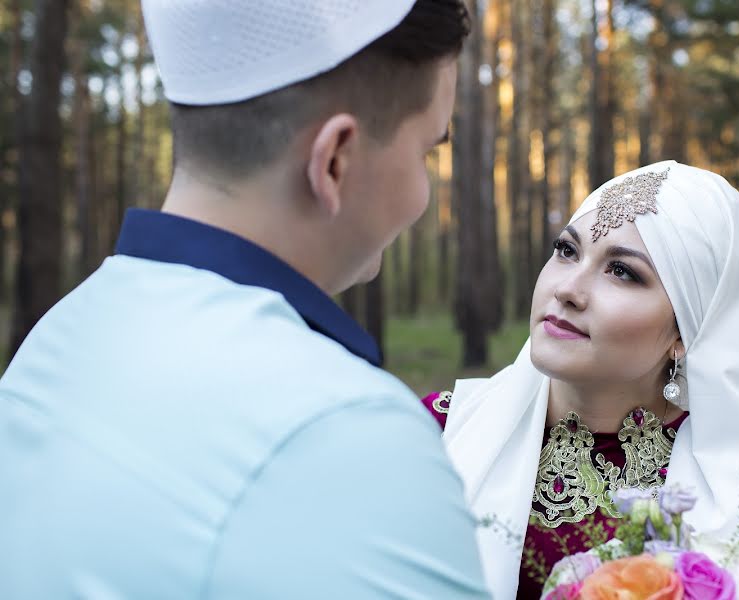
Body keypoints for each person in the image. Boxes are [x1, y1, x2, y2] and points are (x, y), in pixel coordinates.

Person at [0, 1, 489, 598]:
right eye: (426, 152)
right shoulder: (348, 428)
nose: (423, 192)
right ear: (334, 160)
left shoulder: (59, 338)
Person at [422, 160, 739, 599]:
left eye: (622, 272)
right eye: (567, 251)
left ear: (686, 333)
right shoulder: (433, 434)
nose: (567, 290)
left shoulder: (731, 489)